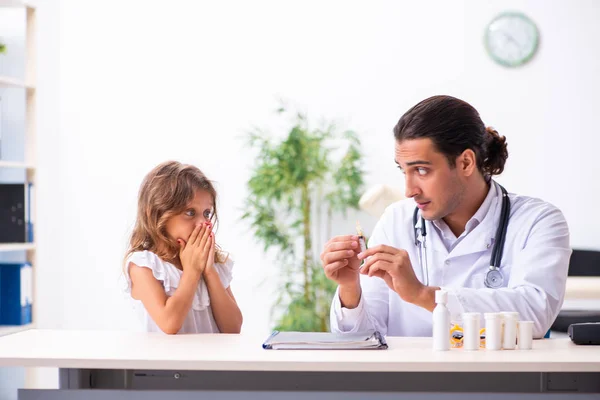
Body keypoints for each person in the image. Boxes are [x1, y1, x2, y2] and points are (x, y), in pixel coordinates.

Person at [321, 95, 571, 338]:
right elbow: (365, 337)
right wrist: (350, 288)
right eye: (403, 171)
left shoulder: (538, 221)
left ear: (465, 163)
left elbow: (535, 314)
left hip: (495, 379)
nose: (409, 190)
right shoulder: (395, 220)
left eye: (421, 170)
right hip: (409, 379)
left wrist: (422, 294)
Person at [124, 161, 243, 334]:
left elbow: (233, 328)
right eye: (190, 212)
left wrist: (209, 272)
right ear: (157, 213)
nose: (203, 223)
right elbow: (169, 323)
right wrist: (192, 271)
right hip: (169, 361)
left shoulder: (214, 265)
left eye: (207, 213)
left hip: (213, 361)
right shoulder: (145, 266)